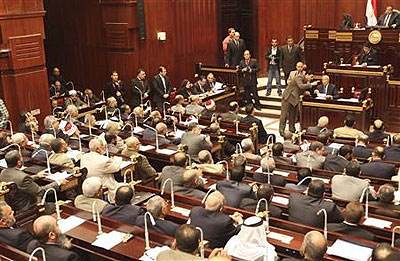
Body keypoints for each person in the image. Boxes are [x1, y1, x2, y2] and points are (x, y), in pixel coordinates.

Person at [0, 150, 66, 213]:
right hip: (28, 207)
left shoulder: (3, 172)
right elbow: (40, 192)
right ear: (19, 162)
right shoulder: (23, 178)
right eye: (21, 158)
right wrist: (57, 182)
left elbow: (18, 181)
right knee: (60, 204)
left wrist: (37, 176)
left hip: (13, 205)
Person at [279, 70, 318, 135]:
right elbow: (301, 86)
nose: (312, 78)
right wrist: (311, 84)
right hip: (288, 97)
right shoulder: (299, 77)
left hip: (295, 99)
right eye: (311, 77)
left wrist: (305, 92)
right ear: (307, 75)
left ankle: (292, 129)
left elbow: (299, 89)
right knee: (284, 115)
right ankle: (281, 130)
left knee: (293, 115)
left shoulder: (305, 81)